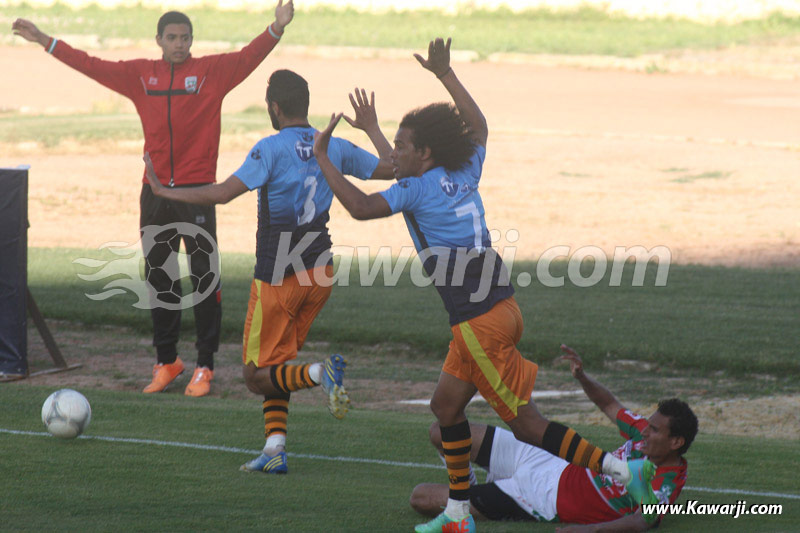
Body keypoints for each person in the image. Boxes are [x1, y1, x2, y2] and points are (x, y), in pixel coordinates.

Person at [312, 37, 655, 533]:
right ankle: (457, 515)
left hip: (478, 323)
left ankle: (624, 472)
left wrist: (325, 158)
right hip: (501, 310)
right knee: (445, 407)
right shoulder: (461, 168)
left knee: (528, 425)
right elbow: (475, 128)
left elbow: (365, 206)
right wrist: (442, 78)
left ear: (424, 152)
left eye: (403, 146)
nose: (395, 154)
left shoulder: (415, 186)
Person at [11, 1, 295, 397]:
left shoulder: (211, 72)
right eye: (172, 38)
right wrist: (45, 40)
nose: (179, 45)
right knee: (159, 277)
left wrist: (276, 28)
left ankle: (205, 366)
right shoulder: (140, 75)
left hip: (197, 192)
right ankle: (166, 361)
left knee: (203, 279)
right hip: (154, 191)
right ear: (159, 41)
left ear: (192, 41)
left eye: (185, 38)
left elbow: (249, 57)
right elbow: (92, 65)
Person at [143, 69, 394, 473]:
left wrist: (164, 190)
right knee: (277, 365)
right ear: (305, 105)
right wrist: (373, 127)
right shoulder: (332, 145)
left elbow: (223, 193)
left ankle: (320, 373)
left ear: (274, 107)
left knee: (254, 375)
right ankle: (275, 448)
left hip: (279, 278)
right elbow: (391, 167)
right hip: (320, 273)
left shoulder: (270, 149)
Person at [410, 345, 699, 532]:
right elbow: (610, 405)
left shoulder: (667, 480)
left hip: (540, 498)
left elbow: (643, 521)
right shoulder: (642, 433)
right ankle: (471, 489)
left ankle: (475, 498)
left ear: (676, 442)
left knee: (421, 497)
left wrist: (586, 530)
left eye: (656, 430)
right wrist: (582, 377)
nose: (645, 431)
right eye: (648, 425)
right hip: (549, 458)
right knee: (440, 432)